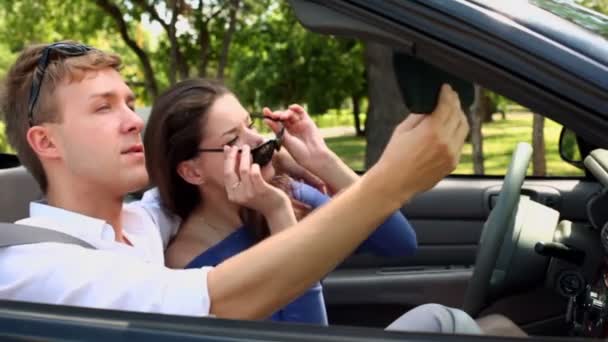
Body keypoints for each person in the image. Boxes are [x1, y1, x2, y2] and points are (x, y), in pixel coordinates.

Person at [0, 41, 478, 334]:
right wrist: (390, 180)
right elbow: (215, 301)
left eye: (130, 103)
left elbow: (203, 185)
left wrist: (310, 160)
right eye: (103, 108)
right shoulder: (33, 265)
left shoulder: (146, 218)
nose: (132, 121)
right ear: (47, 141)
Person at [143, 79, 417, 324]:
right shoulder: (190, 265)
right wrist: (279, 215)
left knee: (443, 320)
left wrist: (322, 160)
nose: (258, 139)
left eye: (250, 126)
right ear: (193, 171)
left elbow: (400, 243)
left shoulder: (285, 190)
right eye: (234, 138)